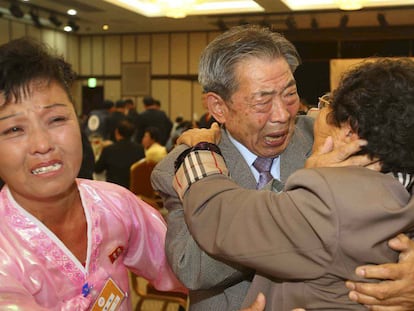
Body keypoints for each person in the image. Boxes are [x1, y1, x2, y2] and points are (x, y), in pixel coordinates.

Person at [151, 25, 371, 310]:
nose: (282, 115)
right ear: (218, 107)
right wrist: (307, 185)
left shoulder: (329, 137)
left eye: (290, 95)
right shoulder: (187, 165)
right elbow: (194, 268)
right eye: (262, 101)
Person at [173, 58, 414, 310]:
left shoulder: (330, 201)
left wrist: (201, 151)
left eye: (326, 106)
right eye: (263, 100)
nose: (307, 113)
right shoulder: (399, 186)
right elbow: (190, 265)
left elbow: (220, 218)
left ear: (349, 132)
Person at [0, 37, 184, 310]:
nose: (42, 144)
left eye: (56, 119)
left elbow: (186, 267)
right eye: (14, 129)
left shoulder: (116, 205)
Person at [94, 119, 145, 188]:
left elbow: (98, 169)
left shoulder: (109, 150)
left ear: (117, 132)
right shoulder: (140, 149)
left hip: (113, 189)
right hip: (132, 189)